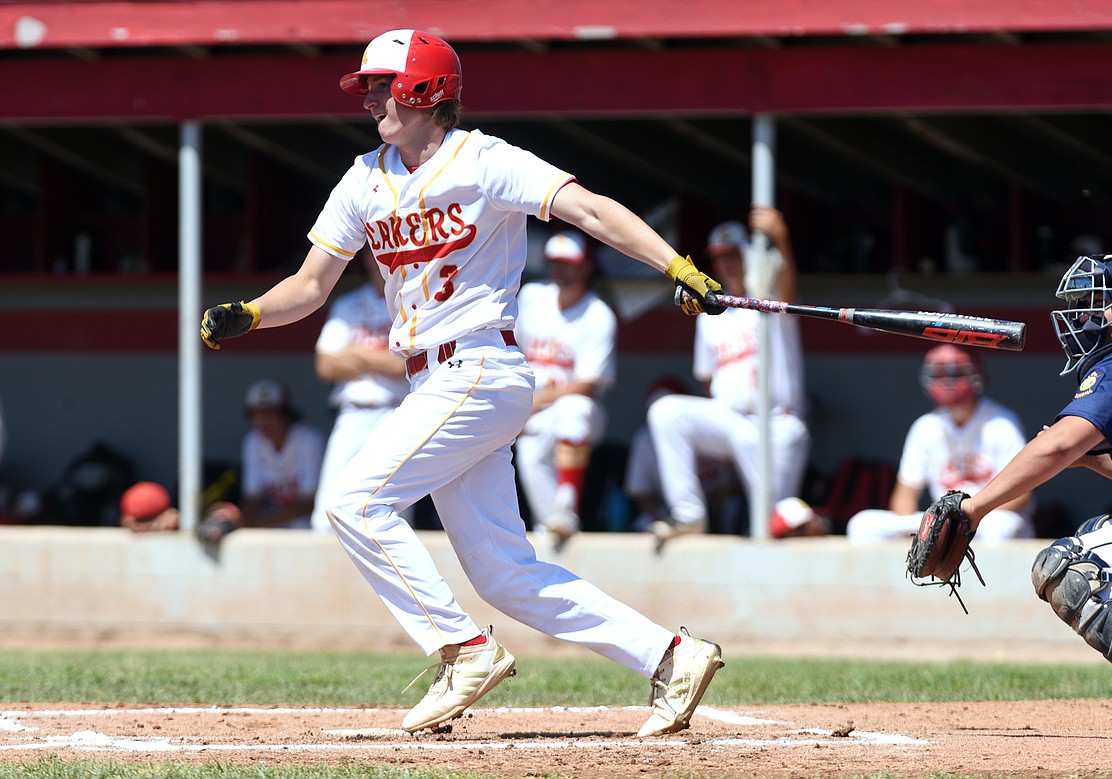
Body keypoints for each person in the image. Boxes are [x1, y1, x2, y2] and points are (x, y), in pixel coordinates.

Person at [199, 28, 725, 738]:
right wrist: (253, 313)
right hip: (432, 381)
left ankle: (462, 650)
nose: (372, 99)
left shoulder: (485, 160)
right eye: (371, 87)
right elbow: (310, 285)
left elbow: (593, 210)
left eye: (384, 84)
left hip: (480, 364)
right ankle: (673, 655)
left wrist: (674, 266)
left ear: (424, 87)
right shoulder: (364, 177)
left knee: (355, 500)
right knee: (504, 573)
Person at [954, 252, 1112, 728]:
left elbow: (1059, 445)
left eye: (1104, 305)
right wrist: (1086, 458)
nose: (1088, 317)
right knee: (1100, 531)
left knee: (1070, 564)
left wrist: (975, 508)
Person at [646, 207, 810, 549]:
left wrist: (780, 238)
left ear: (749, 254)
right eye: (720, 257)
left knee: (773, 526)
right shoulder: (709, 317)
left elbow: (789, 288)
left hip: (776, 425)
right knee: (666, 412)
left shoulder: (767, 298)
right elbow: (708, 380)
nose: (726, 263)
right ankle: (688, 513)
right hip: (733, 421)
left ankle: (810, 520)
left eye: (733, 254)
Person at [846, 344, 1033, 544]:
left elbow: (1021, 495)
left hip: (989, 517)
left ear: (976, 374)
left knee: (999, 528)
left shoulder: (1001, 423)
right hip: (943, 522)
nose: (946, 382)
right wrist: (920, 531)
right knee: (862, 524)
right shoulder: (926, 426)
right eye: (938, 374)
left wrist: (972, 515)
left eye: (954, 373)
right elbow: (904, 495)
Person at [514, 230, 616, 545]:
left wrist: (535, 400)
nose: (560, 269)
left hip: (575, 412)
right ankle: (554, 525)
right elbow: (509, 348)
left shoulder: (598, 314)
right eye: (555, 262)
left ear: (586, 267)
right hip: (531, 409)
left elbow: (586, 385)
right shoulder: (531, 296)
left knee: (575, 409)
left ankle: (567, 501)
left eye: (569, 263)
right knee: (529, 457)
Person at [312, 246, 410, 532]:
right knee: (326, 514)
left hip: (397, 414)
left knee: (394, 513)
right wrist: (383, 356)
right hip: (352, 414)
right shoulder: (348, 305)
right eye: (373, 253)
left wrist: (358, 355)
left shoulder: (411, 302)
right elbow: (326, 366)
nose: (379, 258)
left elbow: (405, 366)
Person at [198, 379, 325, 542]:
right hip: (275, 517)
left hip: (307, 520)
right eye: (256, 414)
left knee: (301, 525)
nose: (262, 421)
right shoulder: (253, 442)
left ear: (286, 414)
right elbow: (253, 498)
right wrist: (240, 519)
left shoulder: (310, 440)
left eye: (269, 413)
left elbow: (309, 503)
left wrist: (256, 522)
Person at [624, 376, 745, 534]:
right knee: (645, 523)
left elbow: (737, 481)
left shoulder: (710, 426)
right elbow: (641, 492)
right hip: (671, 510)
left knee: (733, 508)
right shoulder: (644, 439)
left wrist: (723, 494)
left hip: (720, 505)